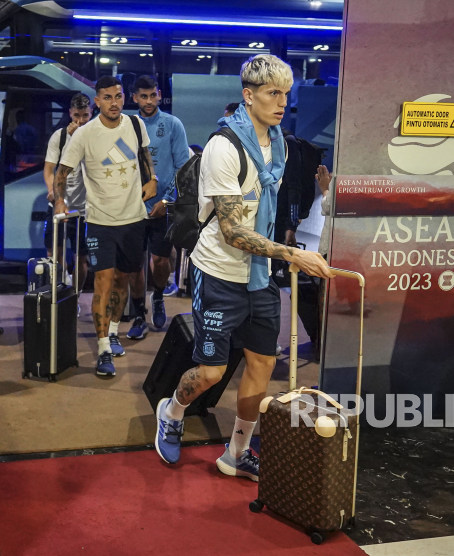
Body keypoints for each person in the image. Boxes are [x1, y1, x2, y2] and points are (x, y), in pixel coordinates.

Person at [153, 55, 333, 480]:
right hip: (218, 272)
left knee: (262, 365)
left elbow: (267, 210)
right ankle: (172, 411)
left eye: (286, 93)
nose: (282, 101)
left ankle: (236, 452)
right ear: (248, 96)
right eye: (273, 93)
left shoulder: (281, 144)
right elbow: (233, 232)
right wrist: (293, 255)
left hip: (259, 276)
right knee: (213, 371)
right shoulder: (223, 147)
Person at [53, 76, 157, 377]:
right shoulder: (84, 134)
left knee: (124, 280)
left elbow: (145, 156)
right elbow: (63, 171)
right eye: (108, 97)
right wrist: (60, 201)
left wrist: (153, 180)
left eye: (119, 96)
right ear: (96, 101)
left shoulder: (136, 125)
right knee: (103, 281)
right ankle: (102, 349)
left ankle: (112, 331)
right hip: (100, 221)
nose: (114, 102)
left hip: (134, 219)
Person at [127, 76, 192, 340]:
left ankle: (157, 297)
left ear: (159, 94)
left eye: (153, 95)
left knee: (161, 260)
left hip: (163, 207)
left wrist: (167, 201)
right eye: (143, 96)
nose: (149, 101)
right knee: (134, 265)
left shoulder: (172, 124)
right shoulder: (127, 124)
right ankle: (139, 315)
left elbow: (183, 168)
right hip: (131, 209)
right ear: (135, 98)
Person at [42, 93, 92, 296]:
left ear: (92, 113)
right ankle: (62, 289)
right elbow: (49, 170)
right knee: (54, 253)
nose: (80, 121)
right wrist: (52, 191)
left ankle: (76, 295)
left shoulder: (95, 136)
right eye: (77, 115)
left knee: (81, 258)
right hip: (60, 206)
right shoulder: (60, 136)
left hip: (84, 209)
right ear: (70, 113)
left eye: (86, 116)